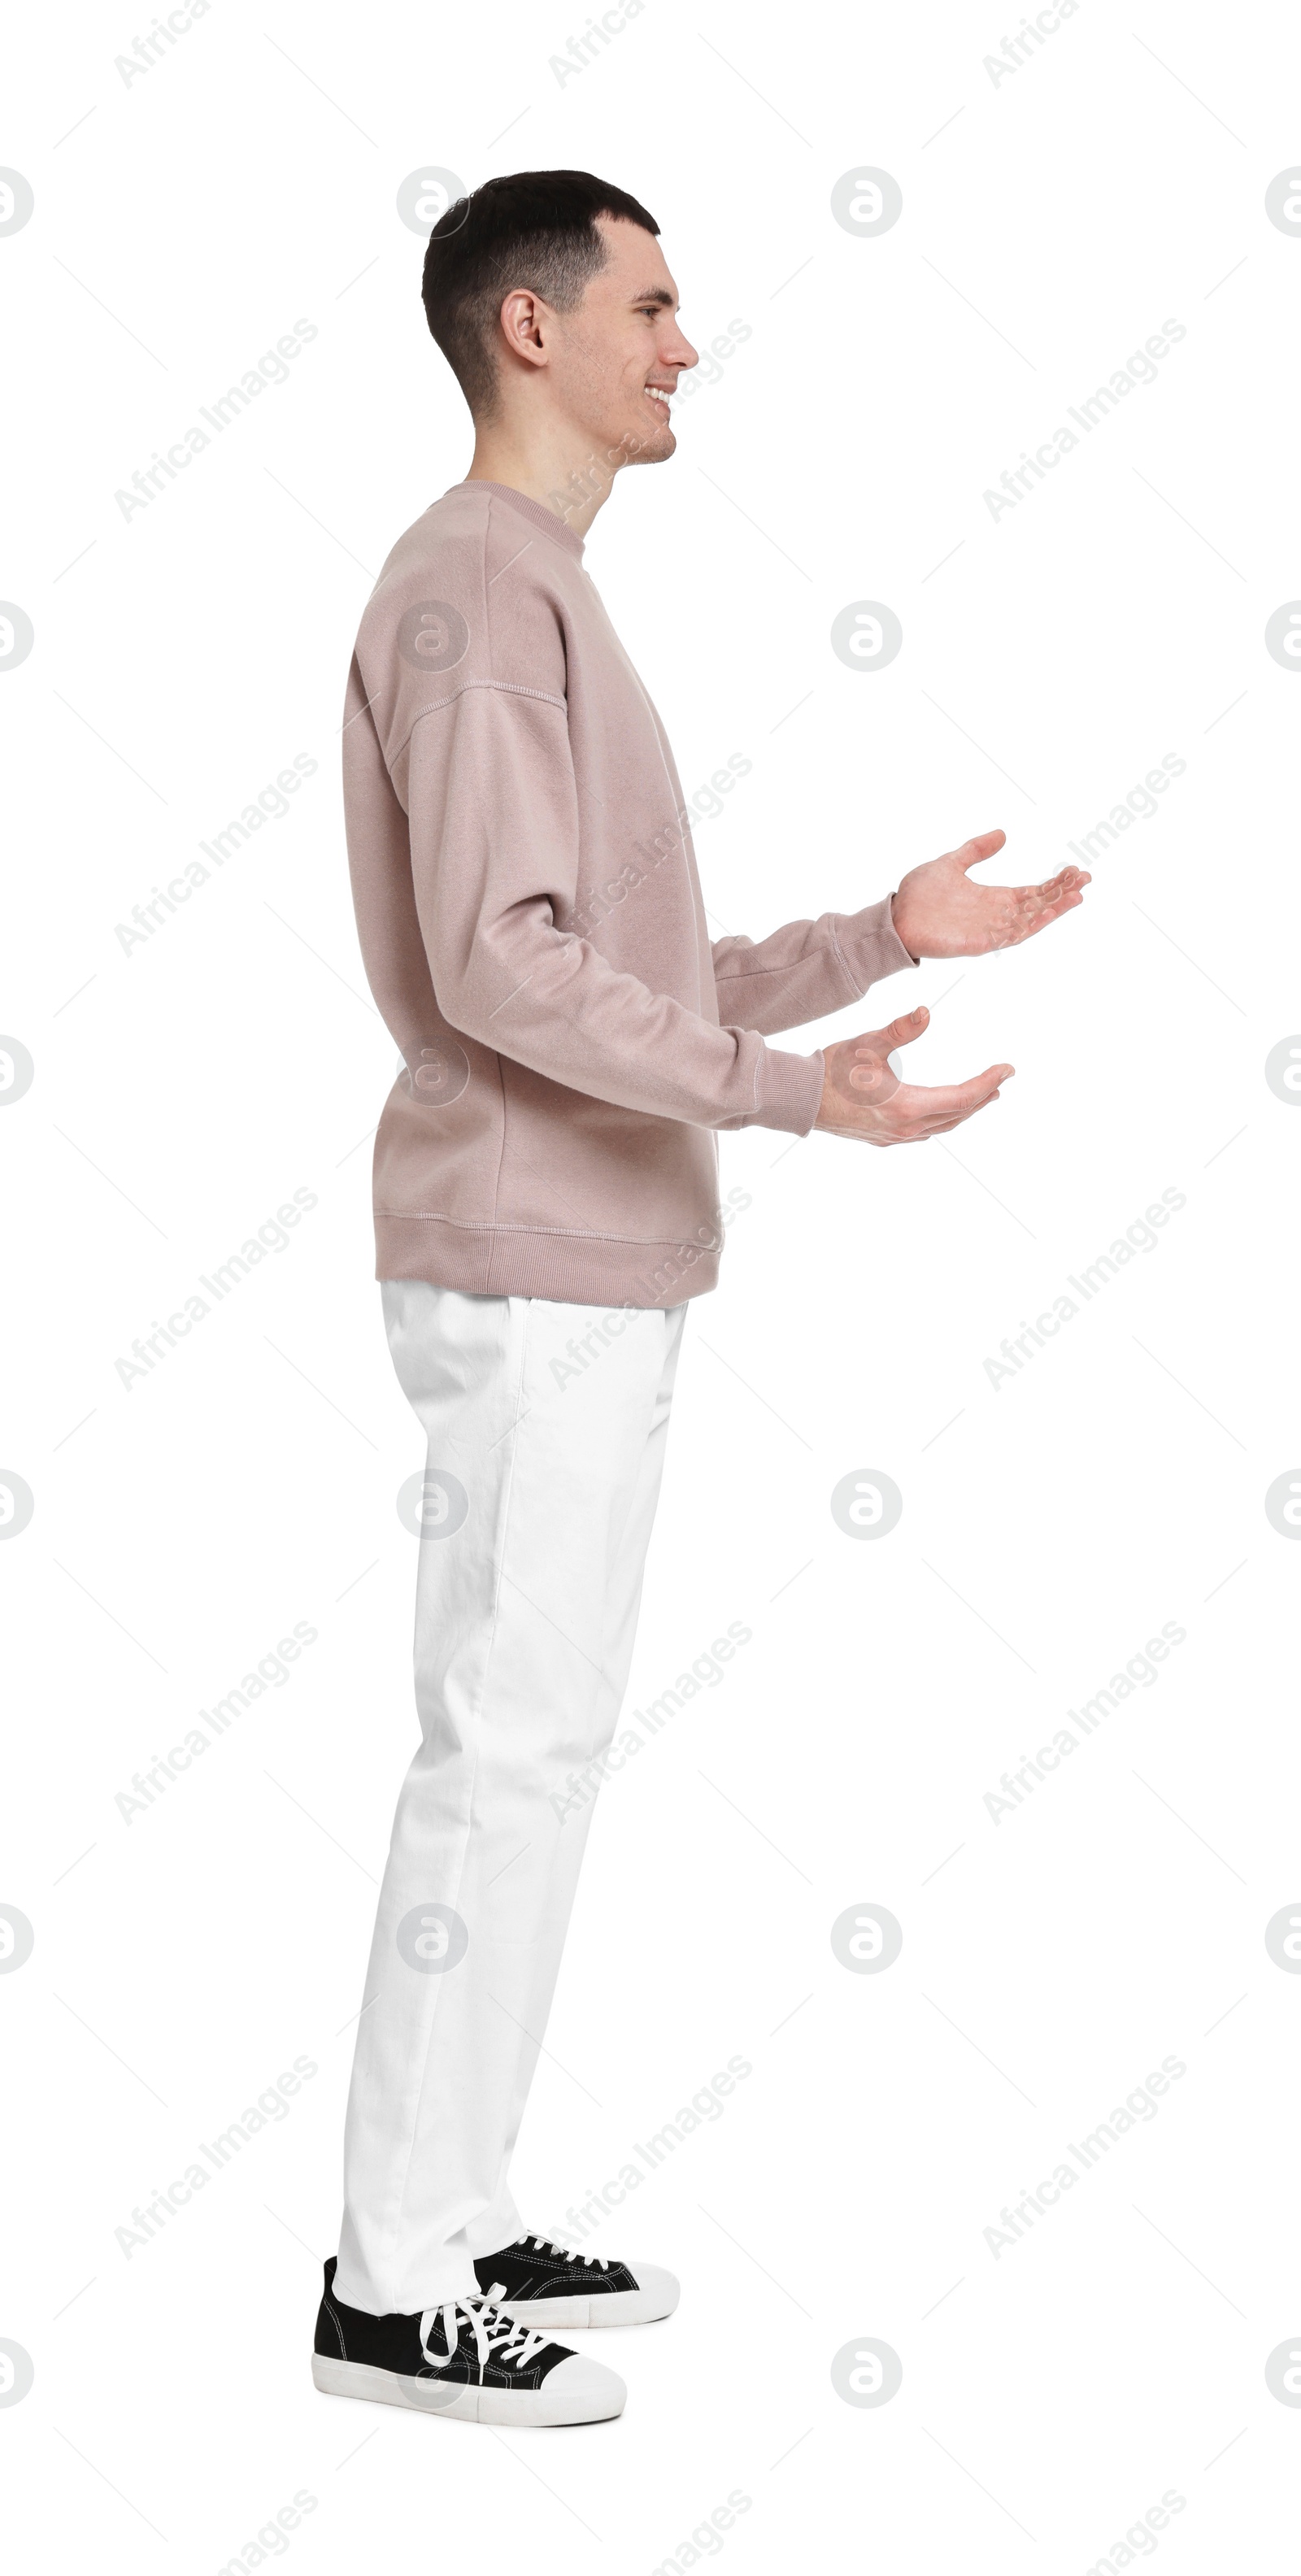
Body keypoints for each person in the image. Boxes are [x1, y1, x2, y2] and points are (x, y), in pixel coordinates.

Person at [313, 168, 1089, 2429]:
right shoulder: (472, 592)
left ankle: (443, 2218)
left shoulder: (535, 592)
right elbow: (503, 972)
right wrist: (791, 1095)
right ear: (527, 328)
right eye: (650, 301)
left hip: (592, 1258)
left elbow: (607, 973)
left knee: (533, 1758)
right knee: (502, 1759)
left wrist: (871, 940)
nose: (684, 340)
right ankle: (390, 2283)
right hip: (534, 1260)